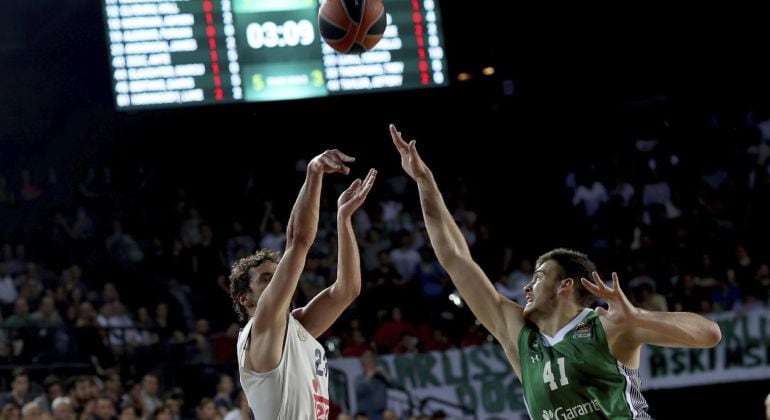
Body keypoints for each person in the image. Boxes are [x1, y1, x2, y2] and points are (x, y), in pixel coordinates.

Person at [388, 123, 722, 419]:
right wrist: (424, 181)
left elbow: (710, 335)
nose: (526, 288)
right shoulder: (517, 334)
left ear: (565, 286)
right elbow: (455, 257)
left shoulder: (608, 328)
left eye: (538, 276)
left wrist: (638, 317)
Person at [229, 148, 376, 420]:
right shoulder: (261, 326)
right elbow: (298, 241)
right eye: (265, 279)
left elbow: (347, 290)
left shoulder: (296, 326)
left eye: (277, 274)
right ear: (245, 298)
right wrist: (314, 172)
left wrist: (343, 220)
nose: (277, 281)